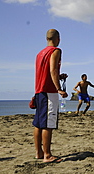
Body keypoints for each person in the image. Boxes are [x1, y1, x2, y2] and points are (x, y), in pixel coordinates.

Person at [33, 29, 68, 163]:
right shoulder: (56, 51)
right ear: (58, 38)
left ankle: (39, 153)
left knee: (38, 123)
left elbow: (46, 72)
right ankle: (47, 155)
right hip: (49, 91)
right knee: (48, 124)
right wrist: (59, 88)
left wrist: (59, 77)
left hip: (39, 90)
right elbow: (52, 69)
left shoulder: (40, 53)